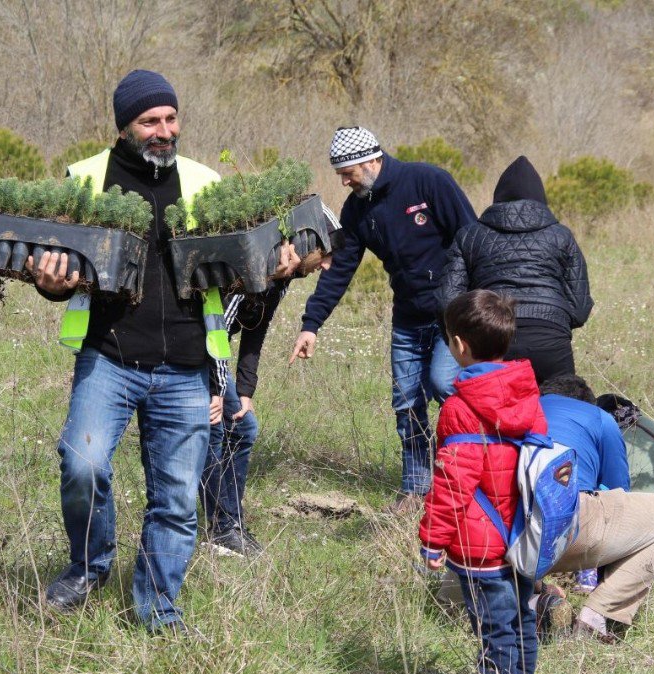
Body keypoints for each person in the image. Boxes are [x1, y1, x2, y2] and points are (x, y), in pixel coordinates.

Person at [27, 69, 222, 631]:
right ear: (123, 127)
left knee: (178, 501)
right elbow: (50, 265)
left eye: (170, 118)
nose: (163, 131)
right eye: (149, 121)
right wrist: (51, 281)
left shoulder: (206, 183)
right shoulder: (86, 180)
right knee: (82, 464)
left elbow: (238, 274)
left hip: (187, 364)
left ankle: (158, 610)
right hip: (109, 356)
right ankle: (90, 565)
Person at [290, 126, 477, 513]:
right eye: (340, 173)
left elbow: (471, 238)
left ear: (371, 160)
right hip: (407, 319)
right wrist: (311, 324)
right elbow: (339, 270)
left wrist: (479, 303)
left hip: (452, 314)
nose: (343, 181)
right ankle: (416, 488)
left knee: (445, 383)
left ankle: (466, 475)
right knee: (406, 403)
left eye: (348, 172)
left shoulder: (429, 182)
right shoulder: (357, 210)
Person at [419, 289, 543, 674]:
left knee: (495, 629)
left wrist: (434, 540)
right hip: (524, 535)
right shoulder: (526, 394)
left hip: (480, 544)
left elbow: (453, 484)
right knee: (522, 618)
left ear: (459, 345)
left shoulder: (459, 409)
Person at [201, 224, 342, 557]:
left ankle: (228, 525)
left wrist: (245, 389)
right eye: (325, 256)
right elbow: (216, 325)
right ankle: (221, 528)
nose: (325, 266)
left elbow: (256, 326)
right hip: (195, 352)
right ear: (304, 243)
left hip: (208, 355)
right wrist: (217, 386)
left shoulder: (282, 276)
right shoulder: (255, 265)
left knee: (243, 424)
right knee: (213, 428)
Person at [540, 374, 654, 641]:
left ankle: (530, 597)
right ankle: (597, 613)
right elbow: (619, 490)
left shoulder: (517, 412)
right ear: (587, 402)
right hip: (573, 523)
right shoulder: (598, 417)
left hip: (508, 531)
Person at [438, 156, 593, 383]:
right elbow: (580, 307)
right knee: (557, 413)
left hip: (491, 340)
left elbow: (446, 299)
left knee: (494, 415)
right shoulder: (561, 235)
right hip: (551, 340)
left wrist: (469, 334)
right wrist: (554, 321)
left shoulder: (470, 235)